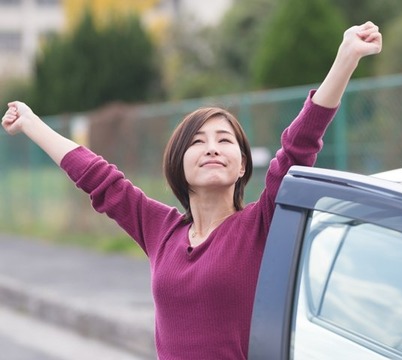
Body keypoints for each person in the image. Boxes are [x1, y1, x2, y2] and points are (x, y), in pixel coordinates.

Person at [2, 22, 381, 360]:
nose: (212, 147)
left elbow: (301, 144)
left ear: (243, 164)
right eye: (198, 141)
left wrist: (345, 59)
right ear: (179, 163)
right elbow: (99, 178)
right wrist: (32, 124)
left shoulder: (262, 224)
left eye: (224, 140)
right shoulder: (159, 229)